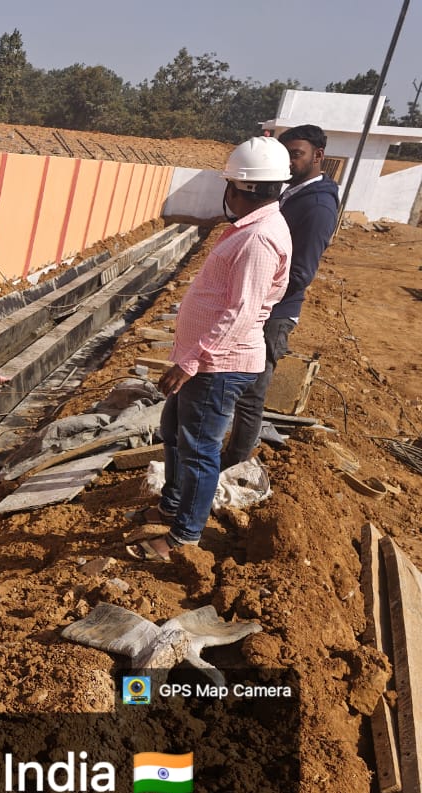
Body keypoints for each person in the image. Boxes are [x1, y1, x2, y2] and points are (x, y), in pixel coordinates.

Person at [126, 137, 293, 562]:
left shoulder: (259, 239)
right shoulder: (252, 227)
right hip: (204, 360)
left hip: (217, 365)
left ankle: (183, 536)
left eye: (229, 185)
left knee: (198, 450)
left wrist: (190, 361)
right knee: (173, 432)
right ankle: (172, 505)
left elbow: (241, 312)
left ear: (240, 188)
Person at [223, 124, 340, 467]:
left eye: (296, 154)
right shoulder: (292, 192)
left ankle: (235, 463)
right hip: (260, 306)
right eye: (284, 154)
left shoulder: (317, 206)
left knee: (251, 394)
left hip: (274, 313)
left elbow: (301, 273)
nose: (288, 161)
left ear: (318, 156)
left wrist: (254, 291)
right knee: (240, 386)